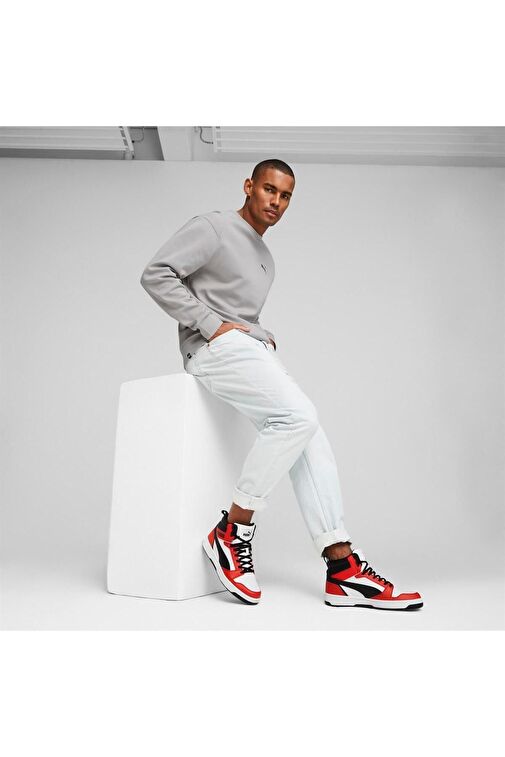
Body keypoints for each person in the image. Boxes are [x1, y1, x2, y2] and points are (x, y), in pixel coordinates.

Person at [140, 158, 423, 611]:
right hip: (209, 348)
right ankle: (232, 530)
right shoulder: (213, 227)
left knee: (309, 433)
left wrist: (258, 333)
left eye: (286, 195)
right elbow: (157, 274)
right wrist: (211, 325)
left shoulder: (266, 260)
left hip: (244, 349)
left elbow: (239, 311)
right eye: (269, 189)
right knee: (298, 417)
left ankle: (342, 567)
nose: (276, 201)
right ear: (249, 186)